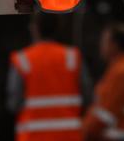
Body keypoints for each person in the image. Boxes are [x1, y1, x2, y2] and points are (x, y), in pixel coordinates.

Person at [7, 13, 93, 141]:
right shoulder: (72, 57)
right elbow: (88, 97)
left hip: (33, 137)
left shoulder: (23, 60)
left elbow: (14, 103)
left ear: (34, 28)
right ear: (58, 27)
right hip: (68, 136)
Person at [83, 23, 124, 141]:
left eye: (104, 41)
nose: (101, 46)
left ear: (115, 45)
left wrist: (85, 131)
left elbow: (106, 112)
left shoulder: (123, 71)